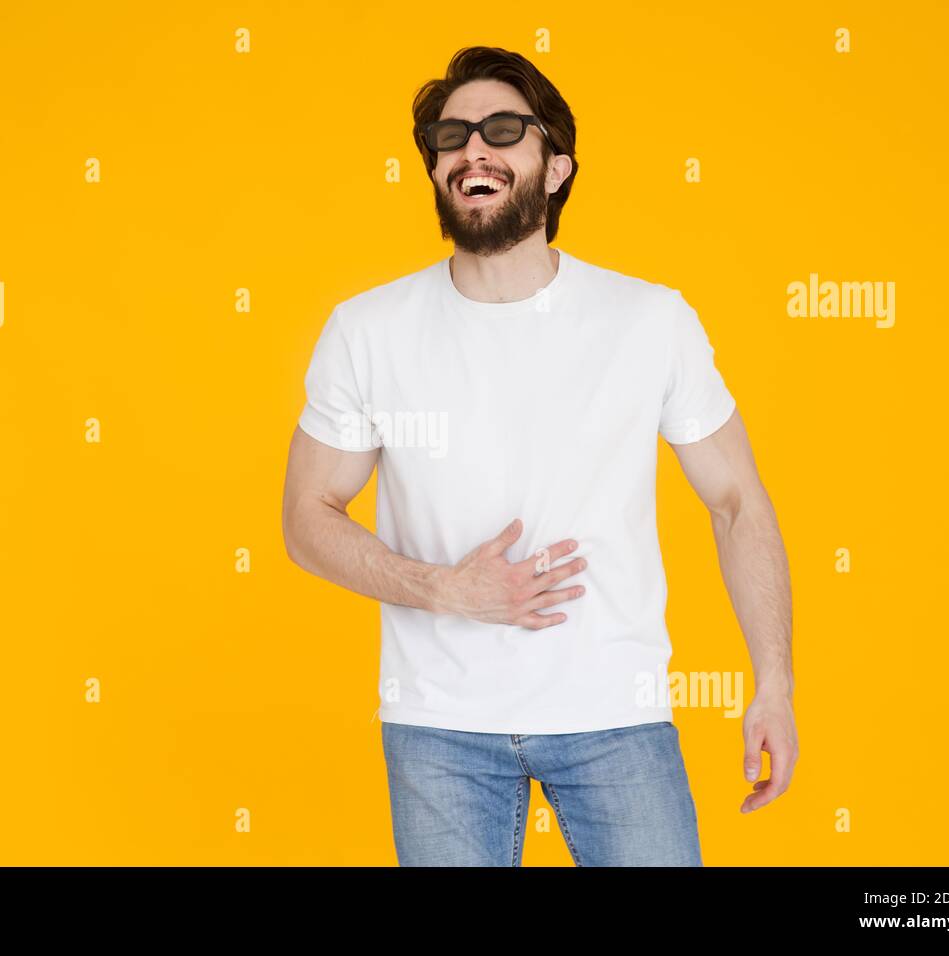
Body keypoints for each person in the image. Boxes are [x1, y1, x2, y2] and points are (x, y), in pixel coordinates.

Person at [281, 46, 797, 866]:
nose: (471, 150)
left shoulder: (649, 320)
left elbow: (736, 499)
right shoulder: (366, 330)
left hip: (614, 717)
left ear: (555, 168)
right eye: (451, 137)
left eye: (501, 130)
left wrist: (773, 681)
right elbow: (306, 518)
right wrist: (445, 589)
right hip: (439, 728)